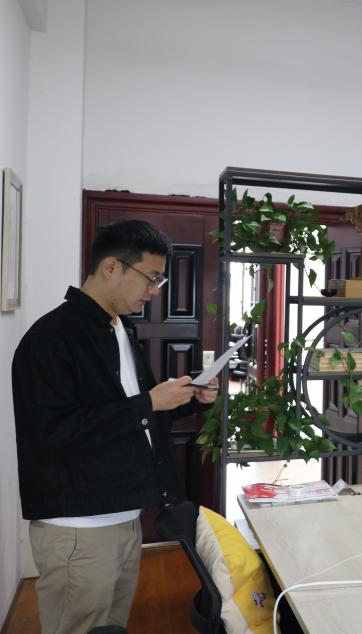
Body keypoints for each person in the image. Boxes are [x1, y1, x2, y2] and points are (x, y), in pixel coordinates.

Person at [12, 220, 219, 634]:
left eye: (159, 280)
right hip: (78, 527)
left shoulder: (122, 329)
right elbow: (53, 432)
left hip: (123, 516)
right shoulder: (51, 338)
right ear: (111, 268)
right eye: (151, 278)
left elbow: (136, 417)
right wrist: (149, 402)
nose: (155, 291)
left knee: (110, 628)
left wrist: (185, 399)